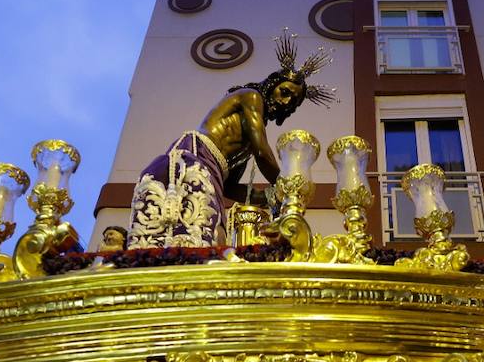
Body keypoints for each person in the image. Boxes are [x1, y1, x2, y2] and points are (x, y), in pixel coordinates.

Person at [126, 31, 336, 249]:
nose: (286, 101)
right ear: (272, 84)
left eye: (293, 101)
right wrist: (287, 186)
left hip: (214, 171)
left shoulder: (243, 146)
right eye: (284, 92)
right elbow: (262, 151)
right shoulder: (251, 97)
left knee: (207, 229)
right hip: (197, 155)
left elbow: (231, 188)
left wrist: (268, 197)